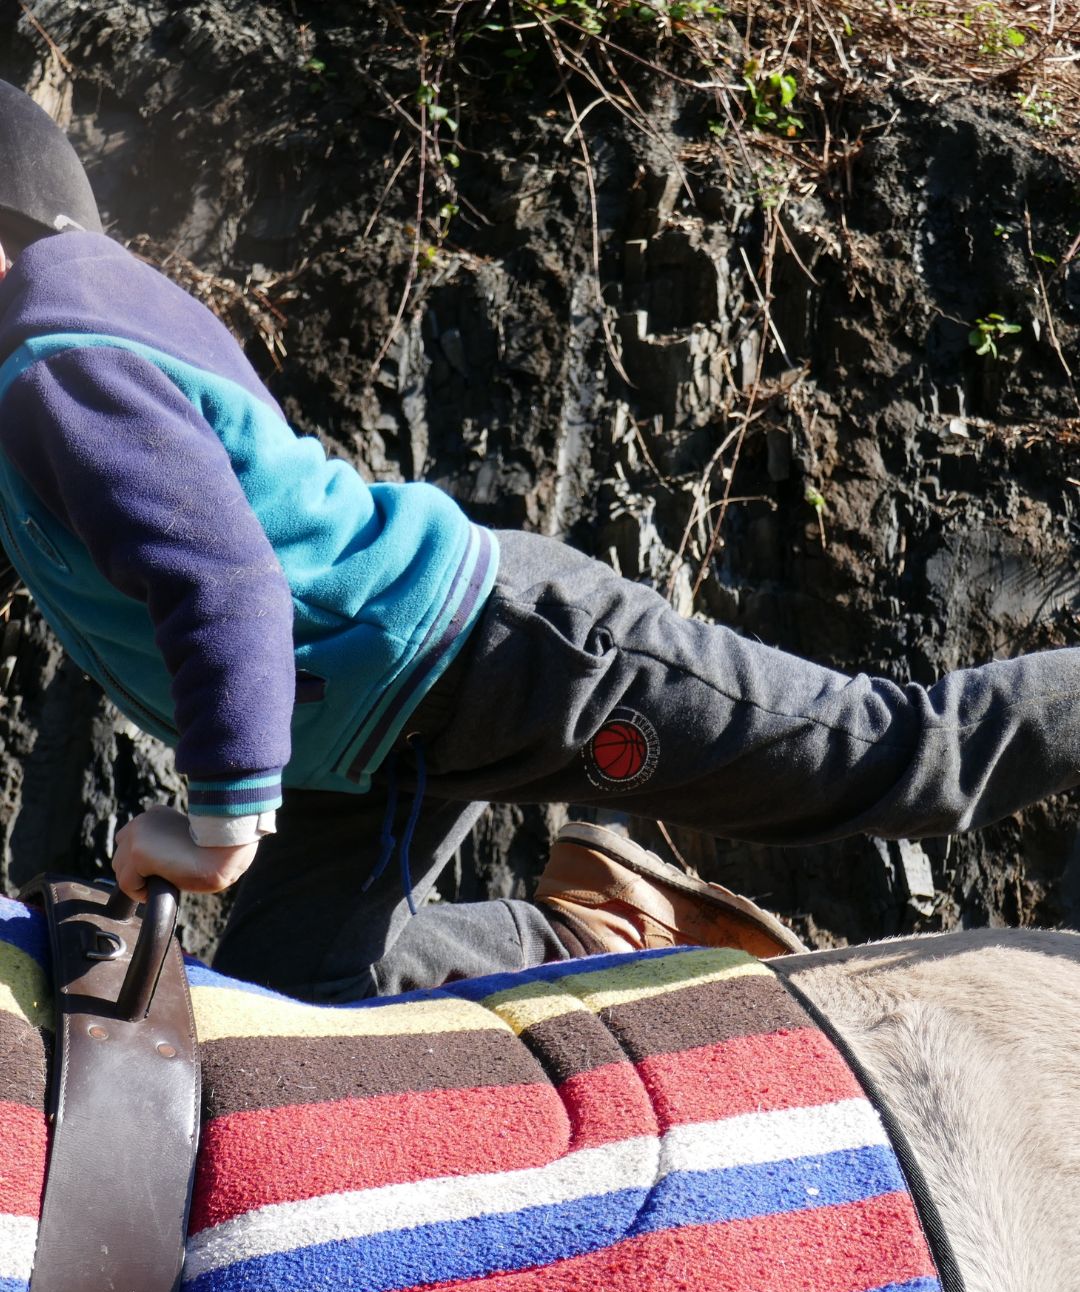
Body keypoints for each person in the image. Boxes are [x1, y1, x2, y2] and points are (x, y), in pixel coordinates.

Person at [0, 81, 1077, 1001]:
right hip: (363, 753)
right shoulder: (60, 344)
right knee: (291, 1013)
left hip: (510, 657)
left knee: (897, 760)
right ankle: (589, 934)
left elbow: (220, 577)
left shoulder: (55, 355)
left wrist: (221, 822)